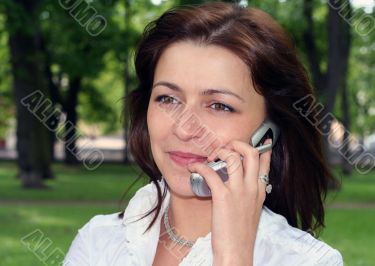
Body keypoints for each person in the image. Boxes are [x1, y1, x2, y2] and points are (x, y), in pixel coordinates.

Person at [63, 2, 344, 265]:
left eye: (219, 105)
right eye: (168, 99)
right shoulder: (97, 242)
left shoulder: (308, 260)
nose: (184, 128)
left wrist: (233, 255)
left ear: (266, 136)